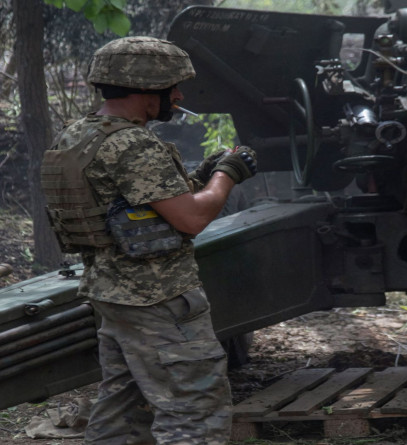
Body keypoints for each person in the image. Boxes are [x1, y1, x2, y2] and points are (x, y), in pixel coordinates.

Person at [40, 36, 257, 444]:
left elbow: (139, 209)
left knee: (124, 408)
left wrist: (206, 173)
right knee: (195, 410)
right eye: (171, 87)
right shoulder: (133, 144)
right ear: (144, 90)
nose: (178, 96)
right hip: (157, 298)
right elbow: (191, 218)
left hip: (112, 293)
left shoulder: (77, 136)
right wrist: (227, 175)